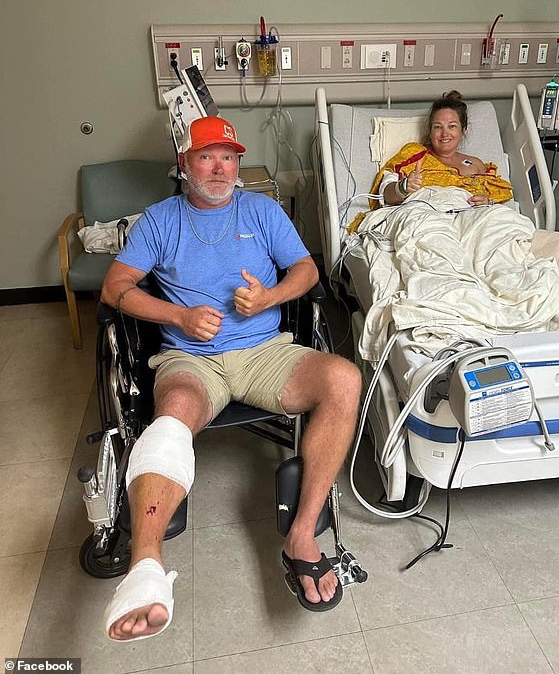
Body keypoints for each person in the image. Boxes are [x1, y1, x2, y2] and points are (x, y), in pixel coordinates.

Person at [101, 115, 361, 641]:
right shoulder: (158, 220)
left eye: (229, 157)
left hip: (265, 352)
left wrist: (269, 297)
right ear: (184, 165)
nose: (219, 167)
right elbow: (115, 287)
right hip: (191, 359)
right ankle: (145, 565)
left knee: (344, 379)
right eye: (206, 156)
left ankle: (303, 535)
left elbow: (305, 272)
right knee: (172, 417)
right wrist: (178, 316)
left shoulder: (262, 210)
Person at [374, 90, 513, 209]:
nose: (445, 134)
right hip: (426, 216)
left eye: (452, 126)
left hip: (471, 217)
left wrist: (487, 202)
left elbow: (498, 199)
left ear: (463, 130)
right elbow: (384, 193)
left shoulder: (476, 164)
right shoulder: (414, 155)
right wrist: (402, 188)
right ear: (430, 131)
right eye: (438, 127)